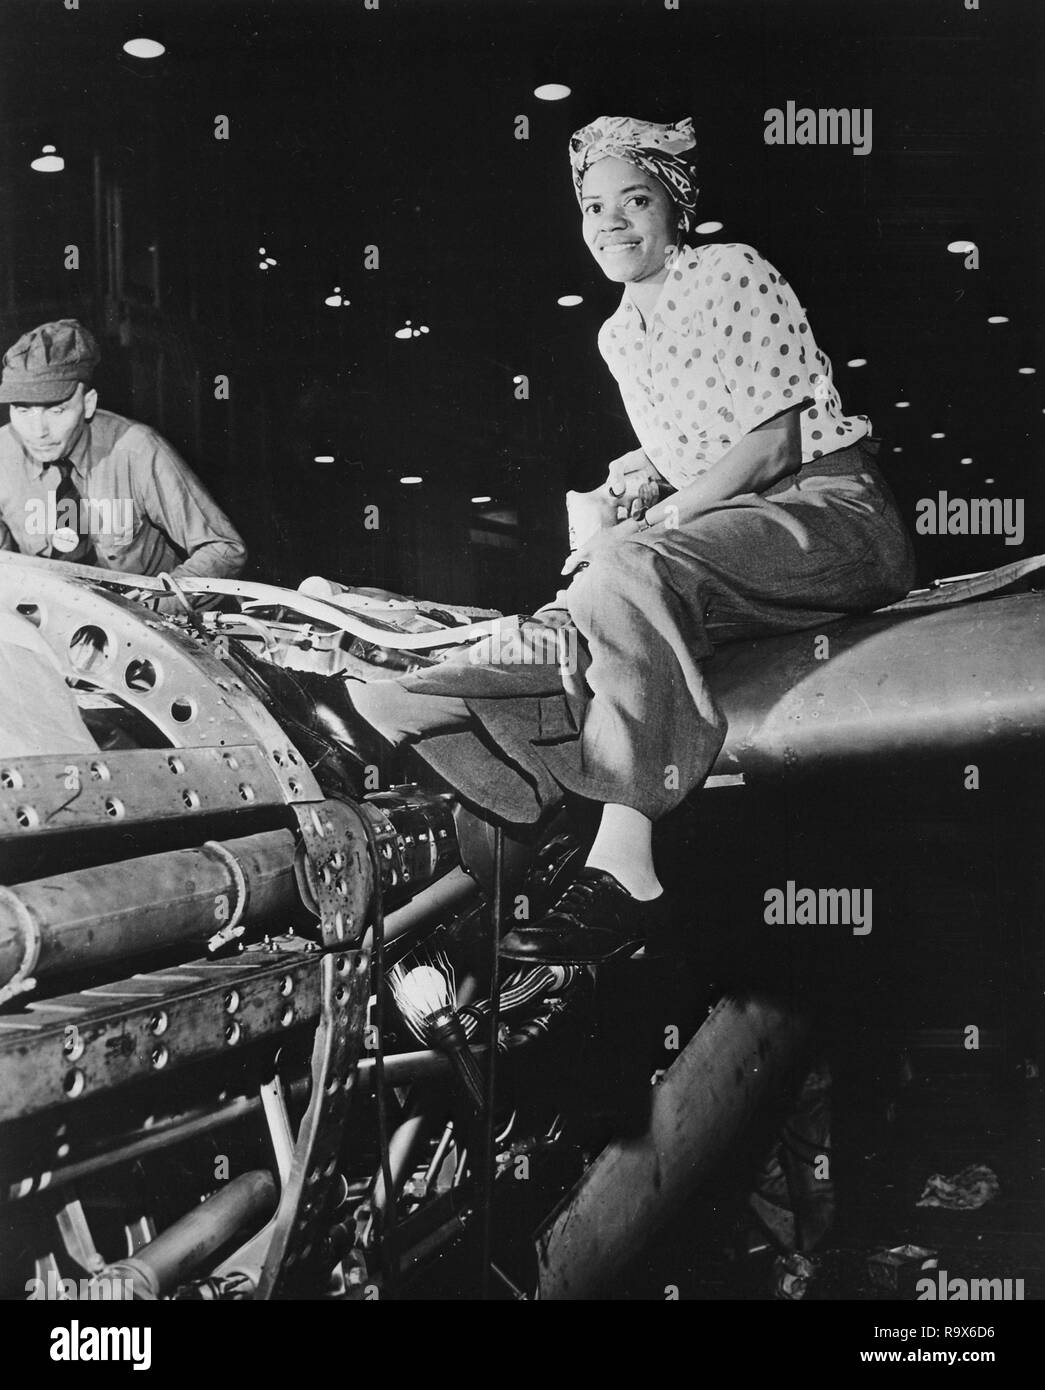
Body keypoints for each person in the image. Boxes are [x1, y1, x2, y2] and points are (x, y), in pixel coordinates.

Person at [346, 114, 916, 966]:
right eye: (592, 206)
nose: (610, 222)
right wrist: (632, 479)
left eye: (634, 200)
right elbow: (698, 432)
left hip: (833, 517)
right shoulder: (617, 332)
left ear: (673, 208)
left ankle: (625, 857)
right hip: (731, 529)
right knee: (503, 646)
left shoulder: (731, 271)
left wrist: (664, 515)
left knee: (623, 566)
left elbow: (773, 443)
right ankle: (519, 801)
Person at [0, 319, 246, 607]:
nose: (38, 431)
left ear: (88, 404)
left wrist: (148, 611)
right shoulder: (4, 455)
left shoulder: (138, 450)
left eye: (56, 410)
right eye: (22, 410)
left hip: (145, 628)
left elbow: (224, 549)